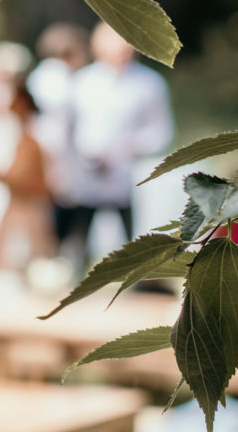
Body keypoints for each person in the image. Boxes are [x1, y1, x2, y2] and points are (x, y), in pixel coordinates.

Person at [67, 21, 175, 271]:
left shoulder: (149, 83)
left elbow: (161, 131)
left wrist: (129, 147)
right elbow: (69, 130)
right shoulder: (82, 83)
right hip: (86, 172)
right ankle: (75, 276)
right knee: (79, 235)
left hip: (128, 174)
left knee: (131, 237)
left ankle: (134, 278)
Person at [26, 22, 91, 259]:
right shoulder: (59, 81)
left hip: (53, 162)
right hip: (57, 163)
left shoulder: (41, 77)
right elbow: (57, 131)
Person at [0, 82, 56, 271]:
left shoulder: (31, 141)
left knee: (28, 259)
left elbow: (24, 179)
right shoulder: (24, 139)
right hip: (22, 204)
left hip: (29, 205)